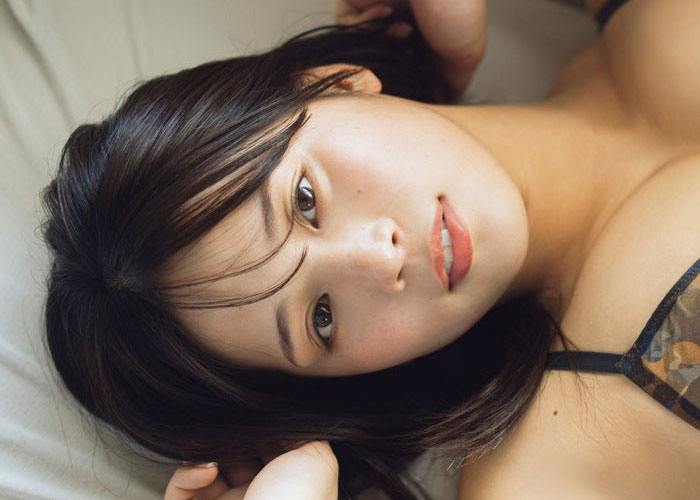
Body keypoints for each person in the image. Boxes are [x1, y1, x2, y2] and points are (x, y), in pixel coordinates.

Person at [39, 0, 700, 499]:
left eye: (305, 199)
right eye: (322, 319)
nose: (380, 259)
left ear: (336, 81)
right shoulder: (558, 463)